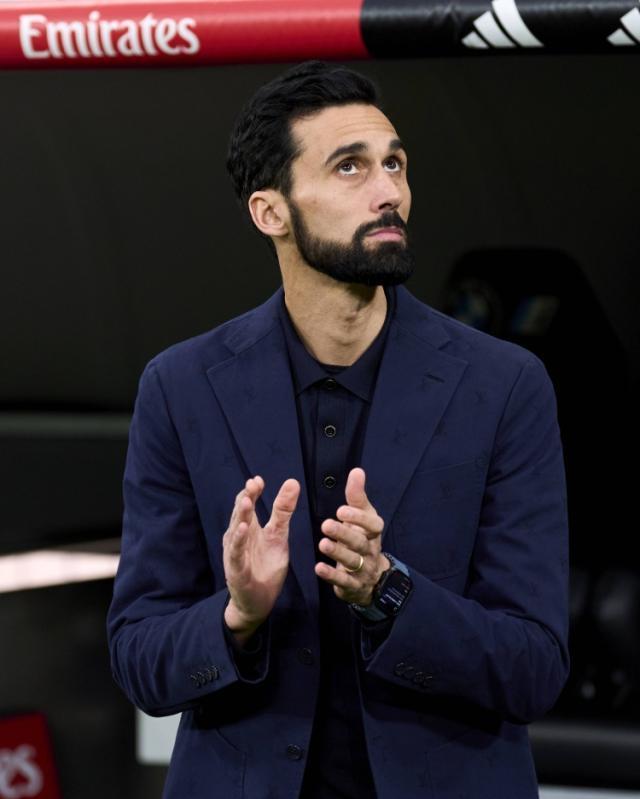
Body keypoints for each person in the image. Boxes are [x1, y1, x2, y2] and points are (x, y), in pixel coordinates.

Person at [107, 60, 570, 799]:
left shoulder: (505, 385)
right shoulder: (181, 387)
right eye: (350, 167)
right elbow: (138, 658)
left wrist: (389, 591)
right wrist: (237, 616)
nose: (389, 192)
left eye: (395, 164)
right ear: (271, 212)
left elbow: (535, 665)